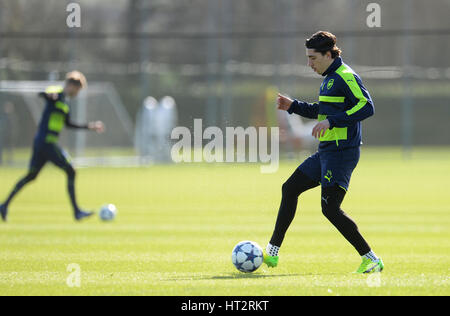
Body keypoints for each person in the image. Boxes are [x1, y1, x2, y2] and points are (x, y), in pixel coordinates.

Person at [264, 31, 383, 274]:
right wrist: (293, 106)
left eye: (313, 58)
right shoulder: (328, 78)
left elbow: (367, 106)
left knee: (329, 208)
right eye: (308, 58)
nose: (309, 64)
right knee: (290, 188)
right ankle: (272, 252)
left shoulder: (346, 76)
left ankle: (371, 259)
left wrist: (333, 122)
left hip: (341, 153)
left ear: (328, 54)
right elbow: (323, 111)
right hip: (327, 151)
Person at [0, 71, 105, 222]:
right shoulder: (56, 93)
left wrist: (90, 126)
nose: (77, 93)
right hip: (46, 142)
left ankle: (3, 205)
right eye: (78, 89)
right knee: (71, 170)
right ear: (71, 85)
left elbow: (69, 124)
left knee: (31, 176)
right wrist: (50, 96)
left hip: (42, 143)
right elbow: (43, 93)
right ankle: (76, 212)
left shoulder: (65, 105)